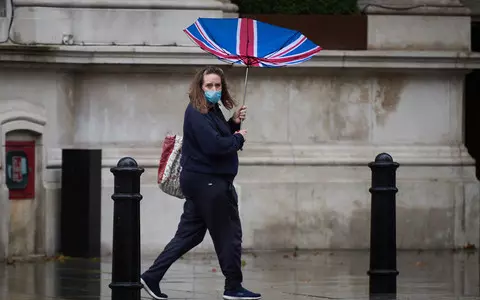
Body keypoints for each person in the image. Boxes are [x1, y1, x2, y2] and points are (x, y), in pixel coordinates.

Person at [140, 66, 262, 300]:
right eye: (209, 86)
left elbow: (219, 135)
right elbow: (215, 146)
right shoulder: (196, 112)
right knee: (229, 234)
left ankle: (151, 277)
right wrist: (238, 138)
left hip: (202, 183)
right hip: (210, 184)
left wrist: (233, 123)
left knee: (189, 235)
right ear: (200, 87)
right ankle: (233, 287)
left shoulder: (211, 110)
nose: (214, 89)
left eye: (218, 85)